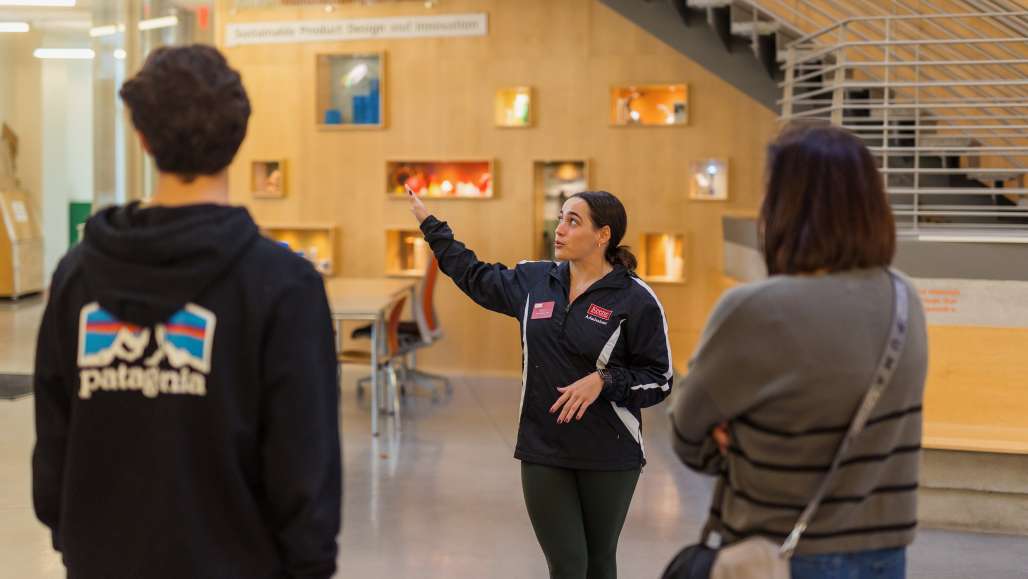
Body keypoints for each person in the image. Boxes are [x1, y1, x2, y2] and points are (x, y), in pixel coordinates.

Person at [32, 45, 341, 579]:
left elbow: (54, 439)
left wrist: (77, 540)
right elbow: (303, 468)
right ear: (238, 139)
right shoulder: (285, 286)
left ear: (143, 137)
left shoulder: (76, 276)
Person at [670, 123, 928, 579]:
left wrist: (739, 447)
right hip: (888, 553)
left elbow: (687, 433)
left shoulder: (755, 310)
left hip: (778, 555)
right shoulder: (905, 299)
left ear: (785, 208)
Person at [408, 186, 674, 579]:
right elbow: (473, 275)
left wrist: (605, 381)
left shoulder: (636, 299)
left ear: (603, 235)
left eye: (573, 221)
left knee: (600, 564)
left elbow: (661, 379)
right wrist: (431, 226)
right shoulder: (535, 280)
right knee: (568, 565)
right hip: (543, 447)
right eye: (561, 217)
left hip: (609, 451)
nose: (560, 228)